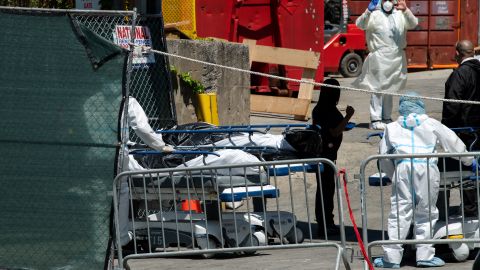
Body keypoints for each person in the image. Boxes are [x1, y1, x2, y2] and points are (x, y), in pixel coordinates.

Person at [375, 92, 473, 268]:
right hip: (426, 167)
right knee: (426, 212)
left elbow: (382, 157)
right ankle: (424, 256)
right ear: (421, 106)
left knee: (399, 213)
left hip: (403, 168)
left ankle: (392, 258)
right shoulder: (431, 123)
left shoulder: (391, 128)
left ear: (401, 107)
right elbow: (453, 142)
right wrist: (469, 160)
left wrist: (393, 175)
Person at [354, 0, 418, 130]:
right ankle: (375, 119)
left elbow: (413, 24)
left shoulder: (400, 15)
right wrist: (368, 11)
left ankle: (387, 117)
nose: (388, 2)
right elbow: (360, 24)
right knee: (377, 88)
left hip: (396, 57)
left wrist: (406, 10)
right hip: (379, 56)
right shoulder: (374, 14)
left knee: (391, 87)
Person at [118, 96, 173, 247]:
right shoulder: (126, 100)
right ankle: (121, 238)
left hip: (93, 151)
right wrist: (161, 146)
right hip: (117, 153)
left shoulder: (91, 100)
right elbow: (141, 127)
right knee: (121, 191)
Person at [441, 40, 480, 217]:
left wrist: (445, 131)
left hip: (464, 132)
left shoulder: (460, 74)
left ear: (458, 53)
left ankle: (470, 210)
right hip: (476, 130)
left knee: (465, 172)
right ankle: (473, 209)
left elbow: (452, 105)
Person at [312, 78, 354, 236]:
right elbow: (334, 131)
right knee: (326, 190)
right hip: (325, 155)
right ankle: (325, 224)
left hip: (325, 154)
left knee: (325, 190)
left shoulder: (320, 108)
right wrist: (348, 116)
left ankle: (326, 222)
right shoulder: (327, 109)